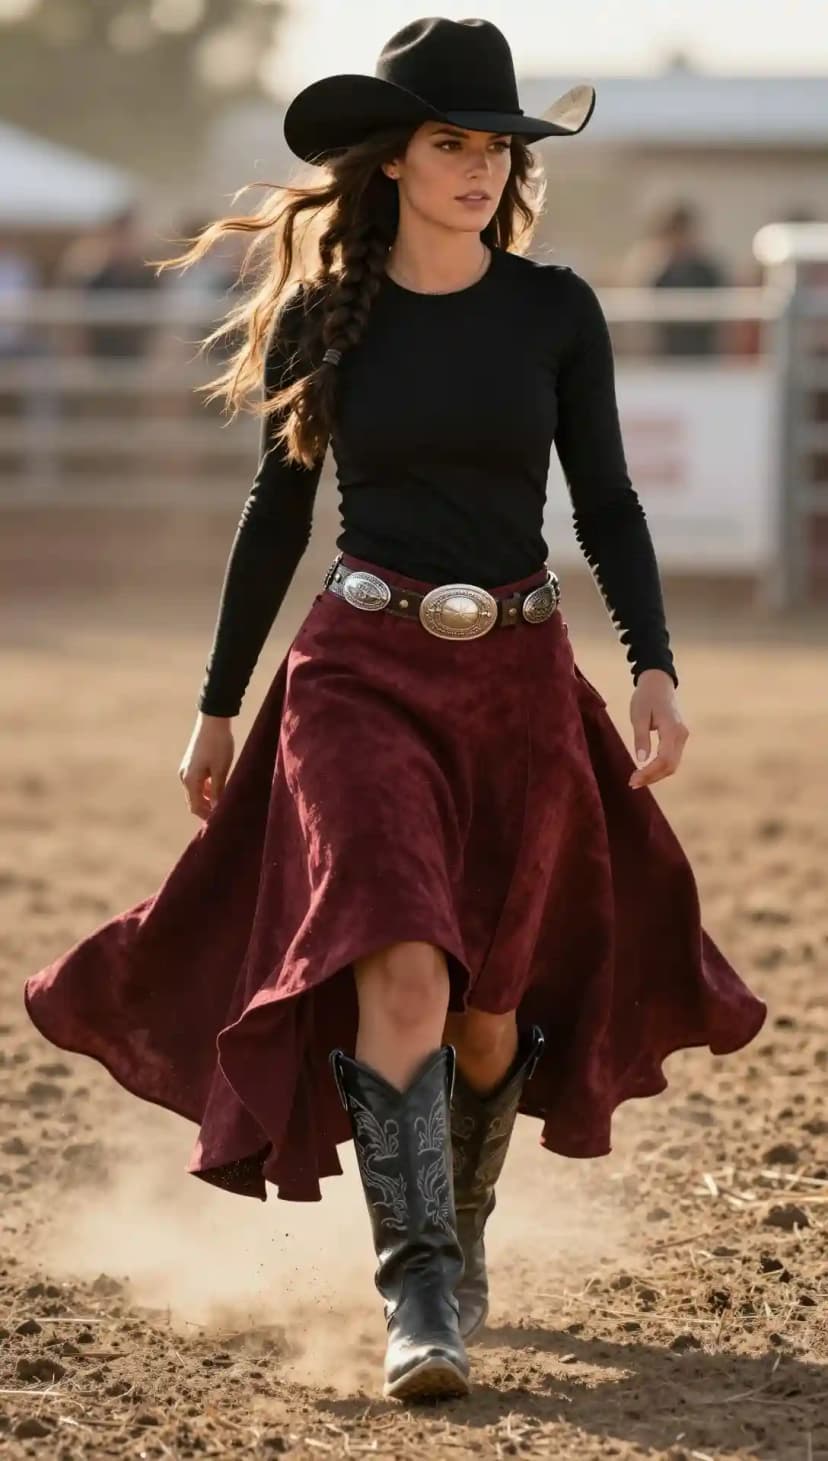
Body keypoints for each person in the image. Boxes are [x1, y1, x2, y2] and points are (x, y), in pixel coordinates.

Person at [23, 17, 767, 1406]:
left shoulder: (557, 314)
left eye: (495, 147)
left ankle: (455, 1238)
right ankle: (418, 1290)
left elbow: (605, 503)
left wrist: (654, 664)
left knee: (489, 1020)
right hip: (357, 676)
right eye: (451, 144)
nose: (479, 168)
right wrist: (217, 702)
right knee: (403, 968)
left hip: (525, 686)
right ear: (396, 161)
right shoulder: (327, 317)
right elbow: (273, 514)